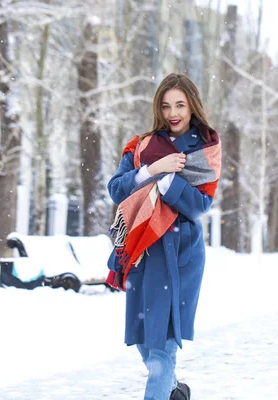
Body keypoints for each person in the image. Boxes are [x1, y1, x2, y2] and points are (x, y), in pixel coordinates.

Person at [106, 73, 221, 400]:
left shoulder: (204, 148)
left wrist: (169, 179)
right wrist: (152, 170)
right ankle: (173, 391)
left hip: (180, 257)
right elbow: (117, 189)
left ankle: (163, 385)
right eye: (167, 105)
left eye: (180, 105)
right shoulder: (142, 147)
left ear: (192, 107)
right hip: (143, 252)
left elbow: (199, 204)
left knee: (162, 348)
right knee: (145, 340)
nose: (173, 112)